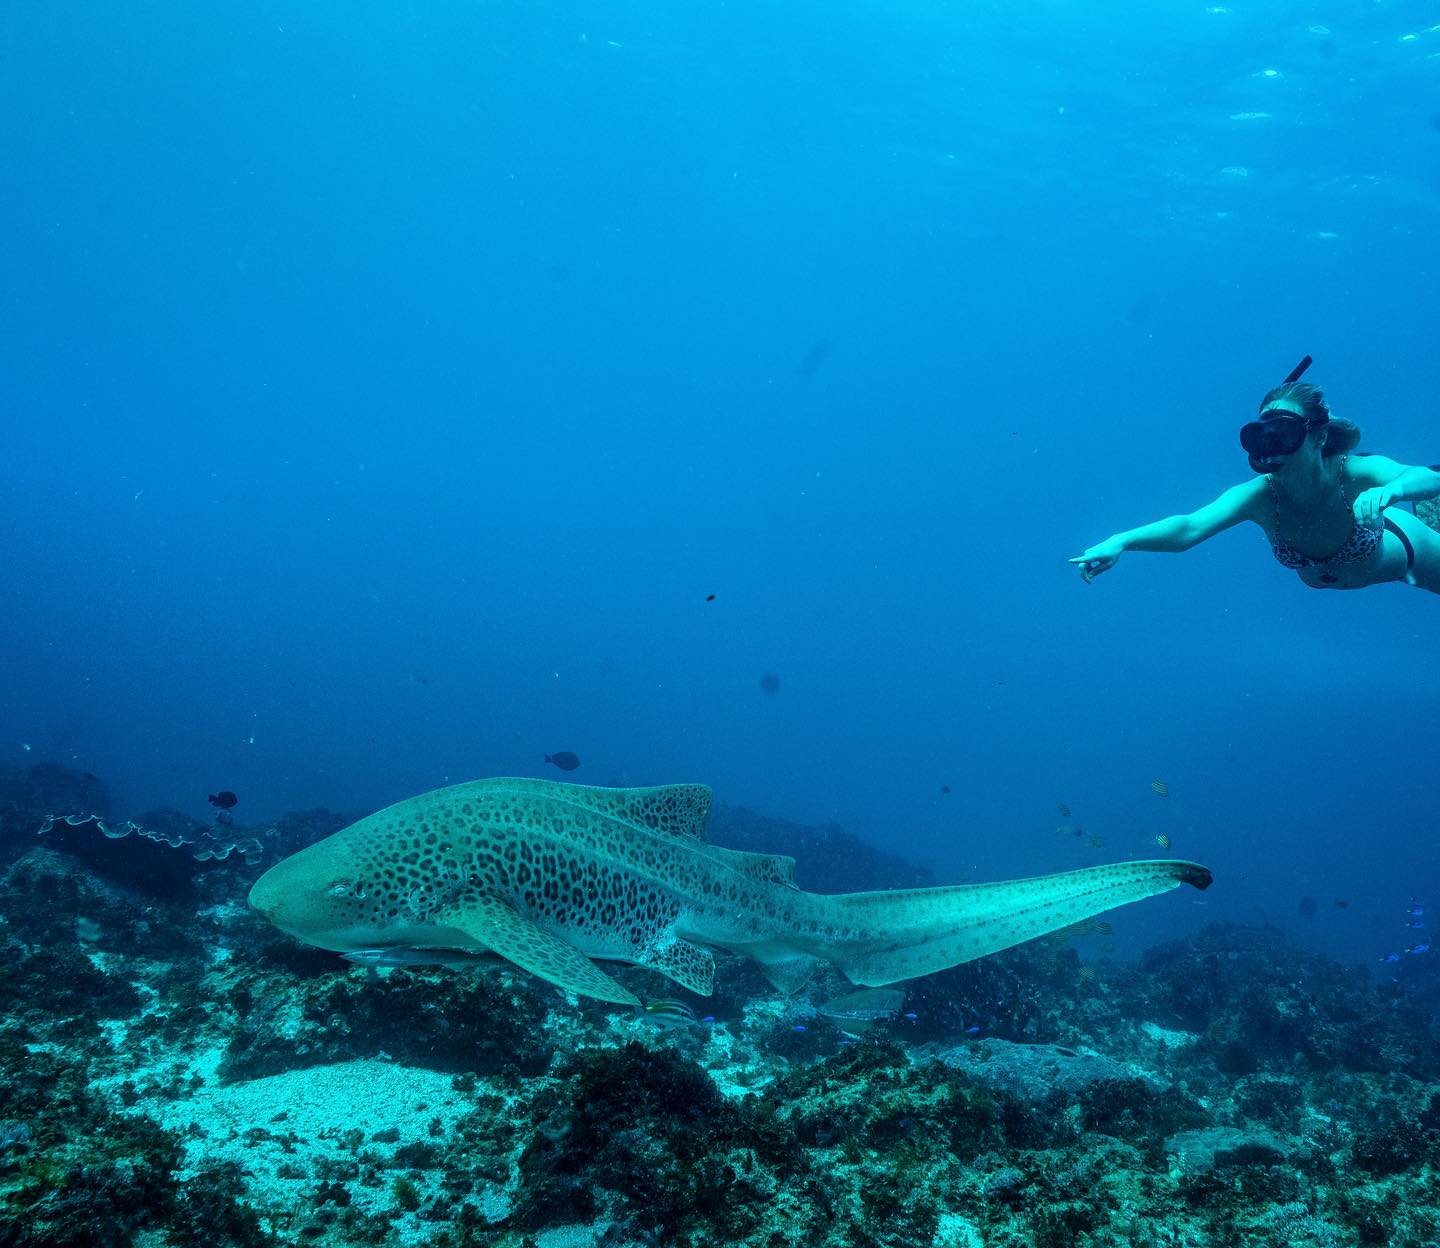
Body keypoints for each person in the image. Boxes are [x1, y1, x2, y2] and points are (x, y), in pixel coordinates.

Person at [1071, 359, 1440, 593]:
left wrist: (1393, 490)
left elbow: (1428, 478)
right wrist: (1120, 541)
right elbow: (1188, 528)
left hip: (1410, 550)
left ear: (1319, 436)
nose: (1272, 447)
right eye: (1262, 437)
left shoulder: (1355, 472)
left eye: (1285, 434)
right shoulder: (1260, 497)